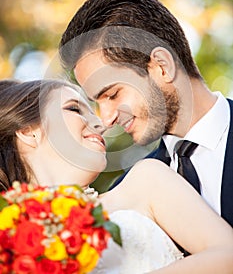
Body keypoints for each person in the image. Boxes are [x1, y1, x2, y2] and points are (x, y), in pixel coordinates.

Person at [0, 78, 233, 274]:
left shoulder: (144, 182)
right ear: (28, 132)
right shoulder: (6, 238)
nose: (101, 123)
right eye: (74, 108)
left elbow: (228, 255)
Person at [59, 0, 233, 230]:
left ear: (162, 66)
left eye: (112, 94)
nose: (106, 119)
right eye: (96, 103)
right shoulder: (124, 193)